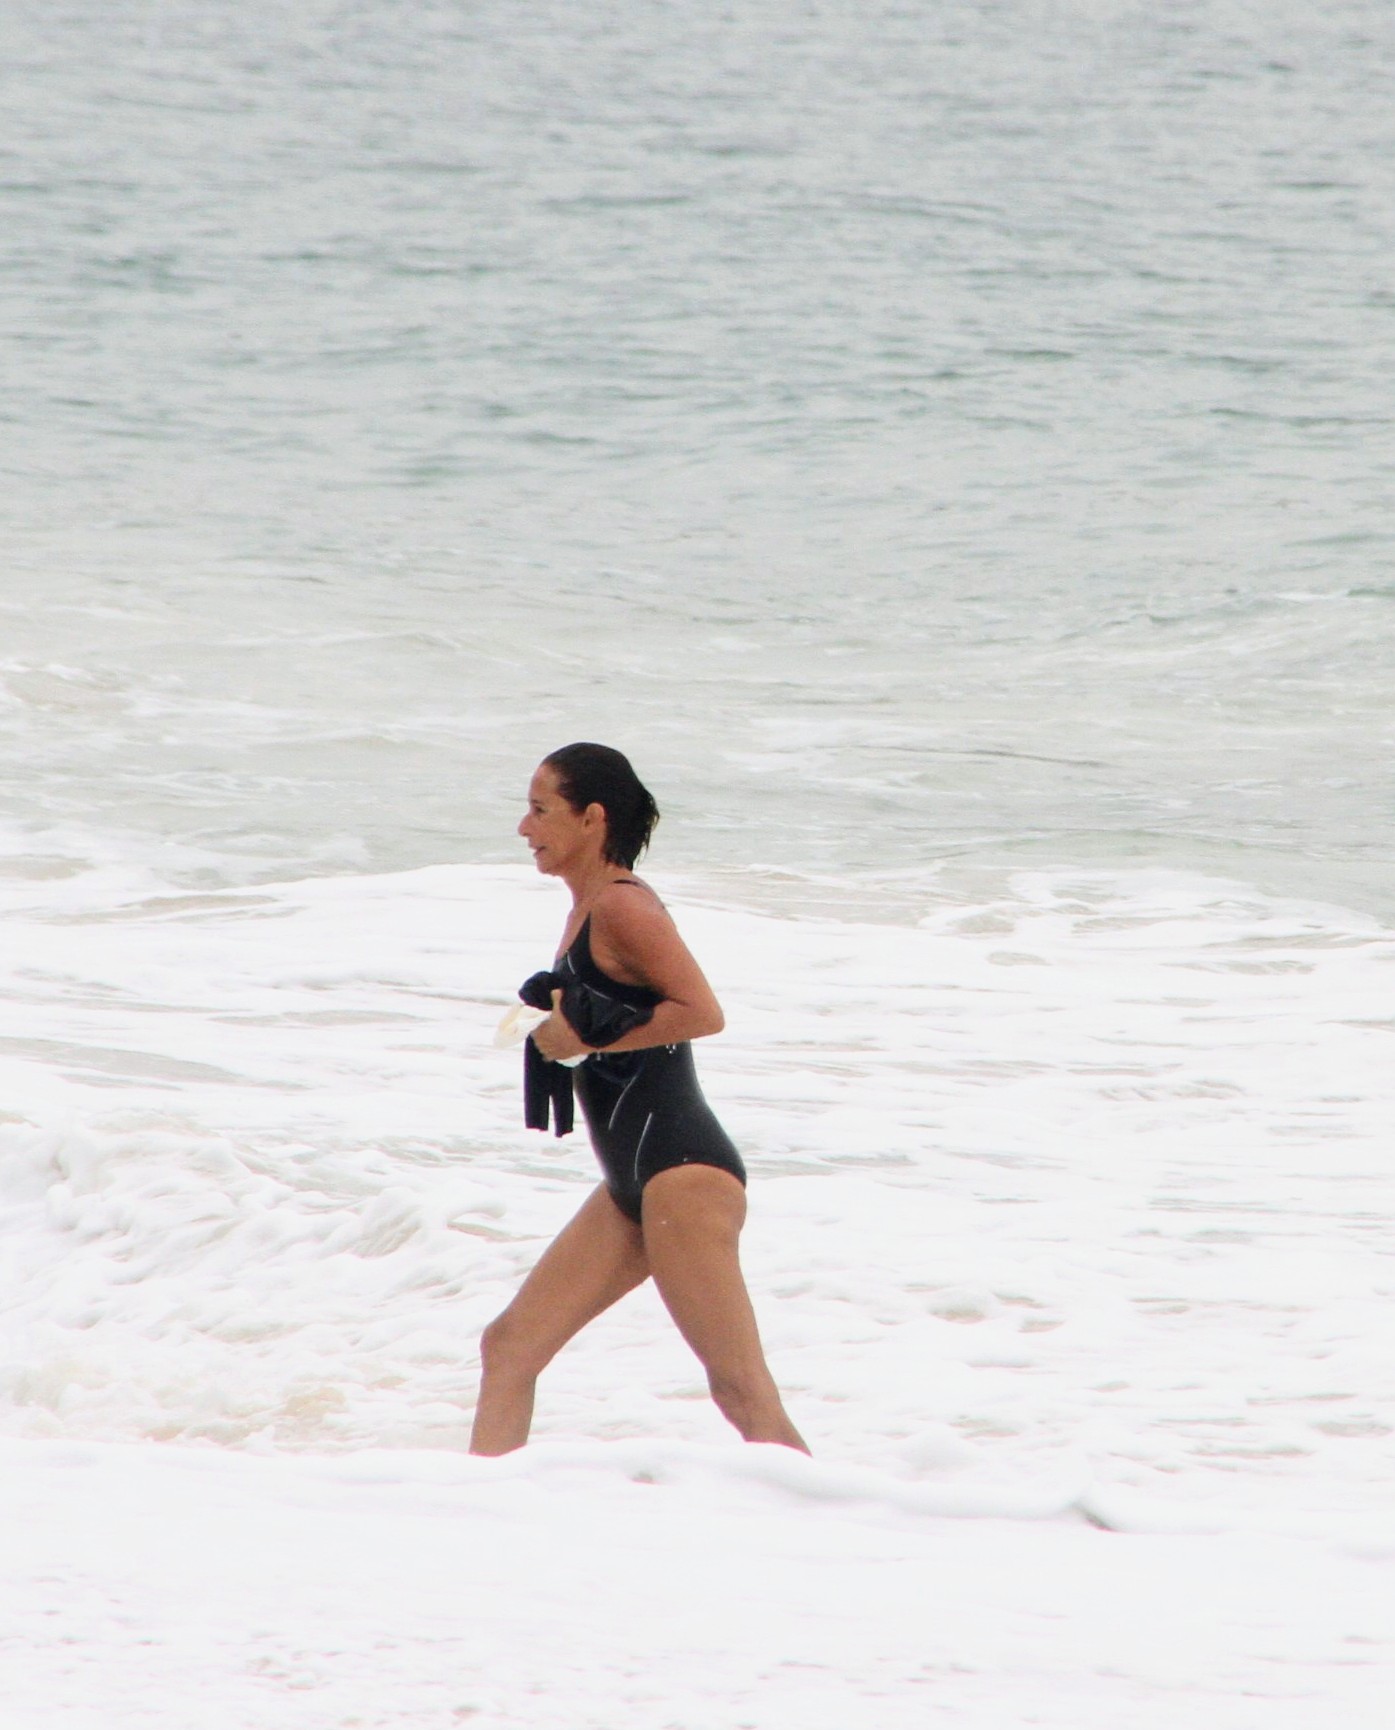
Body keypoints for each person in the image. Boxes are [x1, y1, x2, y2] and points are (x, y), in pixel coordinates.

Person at [470, 742, 808, 1456]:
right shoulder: (587, 911)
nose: (523, 829)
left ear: (591, 818)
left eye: (539, 810)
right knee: (508, 1347)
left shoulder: (624, 908)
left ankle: (840, 1535)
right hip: (632, 1182)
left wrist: (583, 1041)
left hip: (682, 1175)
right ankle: (480, 1521)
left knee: (739, 1390)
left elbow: (702, 1011)